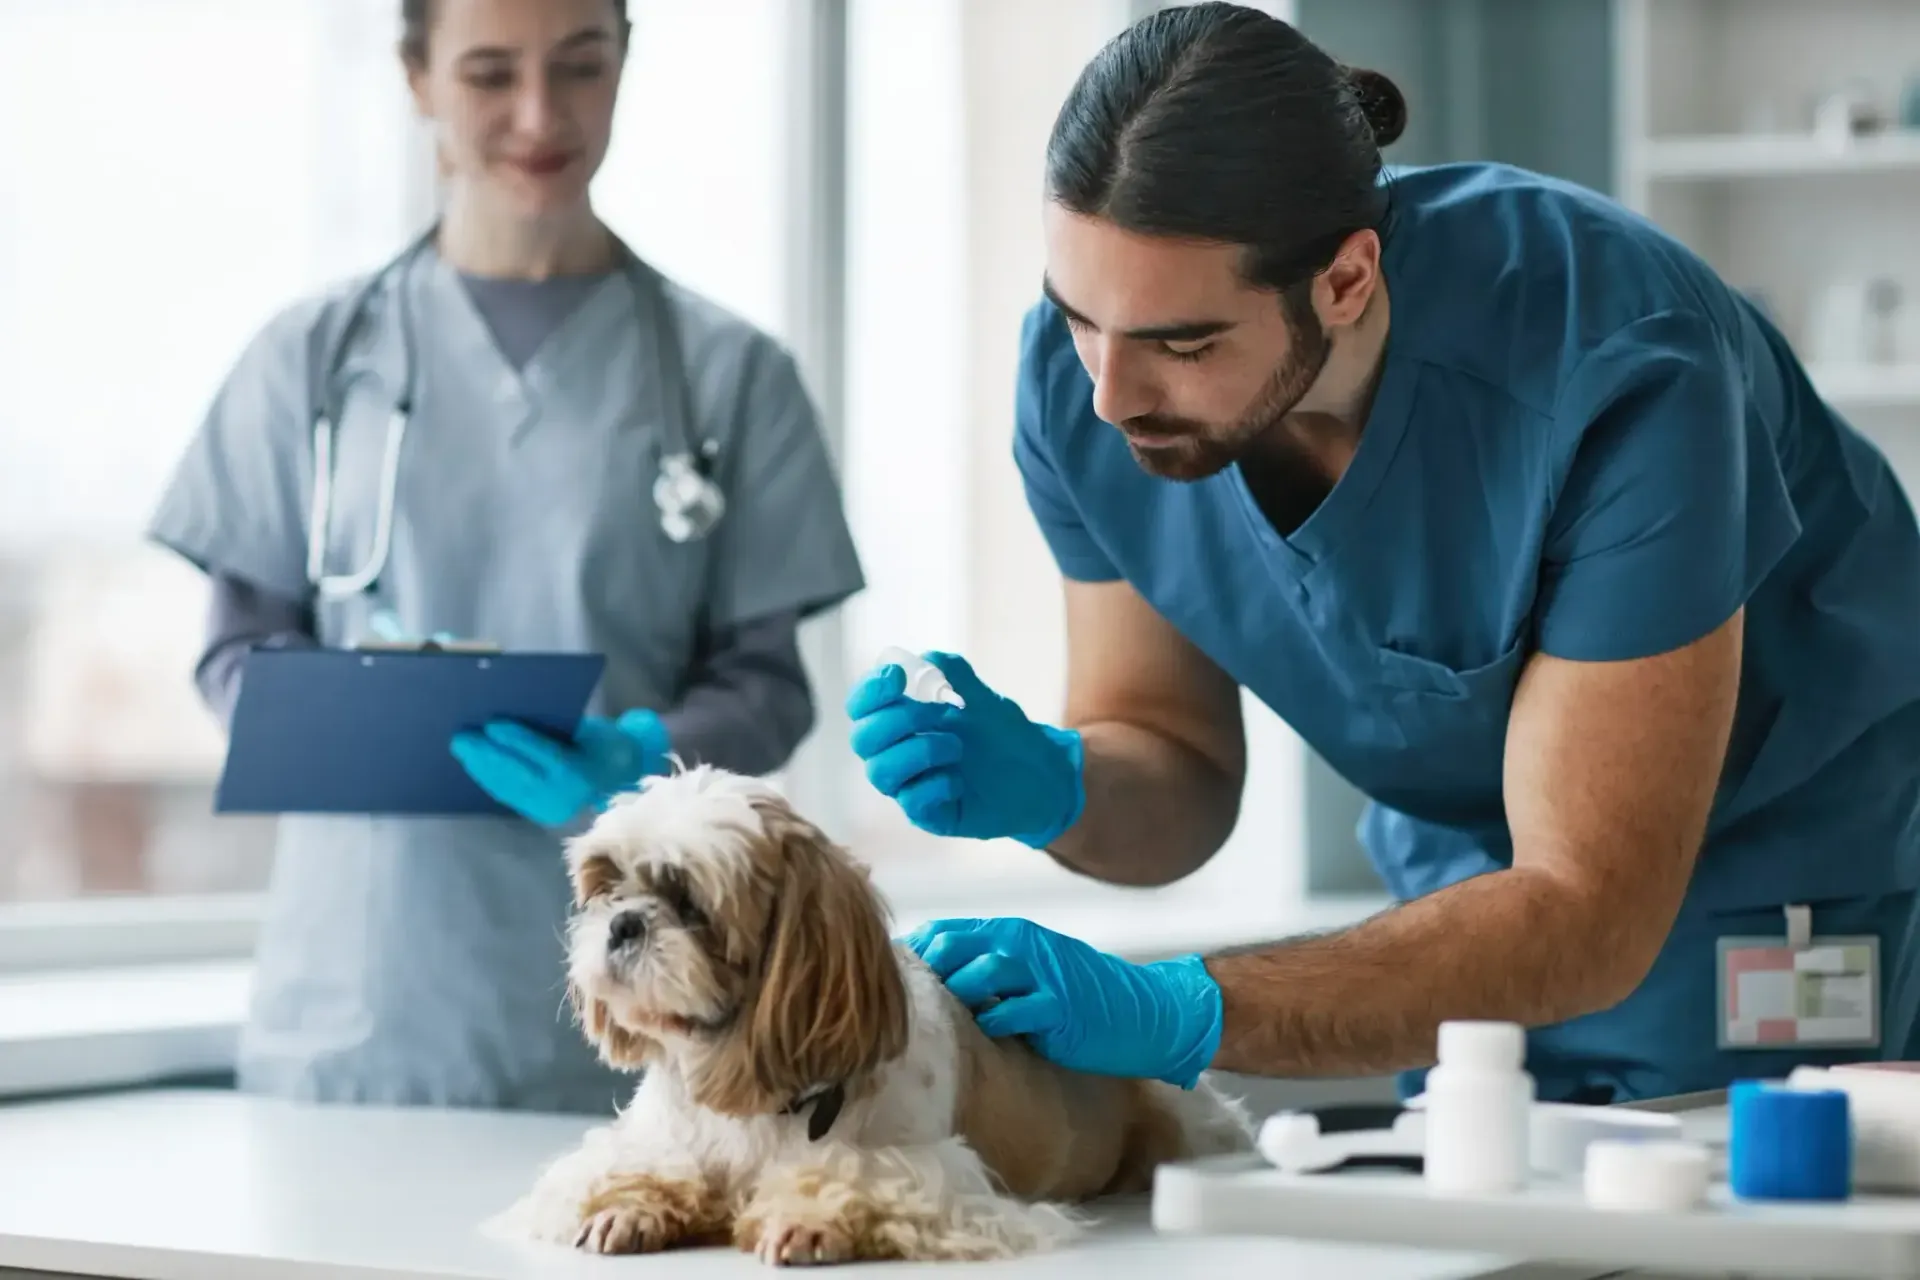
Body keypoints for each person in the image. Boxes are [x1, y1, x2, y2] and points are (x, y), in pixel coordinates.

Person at [847, 2, 1920, 1105]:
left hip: (1769, 880)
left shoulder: (1621, 359)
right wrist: (1057, 785)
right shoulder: (1081, 384)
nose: (1111, 396)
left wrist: (1180, 1008)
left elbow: (1583, 907)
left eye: (1185, 342)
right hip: (1461, 901)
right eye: (1078, 317)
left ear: (1347, 280)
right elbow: (1178, 767)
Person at [147, 0, 862, 1112]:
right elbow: (233, 652)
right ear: (415, 77)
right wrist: (351, 708)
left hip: (648, 1030)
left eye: (580, 66)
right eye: (489, 74)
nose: (540, 114)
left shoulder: (732, 375)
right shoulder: (310, 361)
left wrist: (640, 759)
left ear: (625, 64)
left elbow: (769, 686)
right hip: (361, 1018)